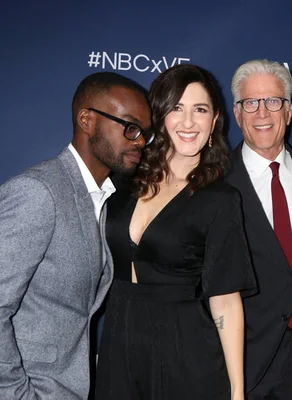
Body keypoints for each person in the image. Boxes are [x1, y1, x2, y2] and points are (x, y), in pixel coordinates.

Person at [95, 64, 256, 400]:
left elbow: (226, 300)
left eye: (200, 110)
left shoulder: (220, 200)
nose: (187, 122)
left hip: (187, 351)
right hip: (119, 344)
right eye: (176, 108)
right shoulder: (123, 183)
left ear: (213, 122)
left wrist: (238, 392)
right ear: (159, 116)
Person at [0, 72, 151, 399]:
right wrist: (16, 394)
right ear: (87, 120)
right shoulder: (39, 192)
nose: (140, 140)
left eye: (144, 132)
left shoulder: (99, 198)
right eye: (130, 127)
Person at [226, 59, 292, 400]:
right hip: (246, 358)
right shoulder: (213, 181)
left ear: (290, 111)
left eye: (273, 101)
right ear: (237, 113)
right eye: (251, 103)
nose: (262, 113)